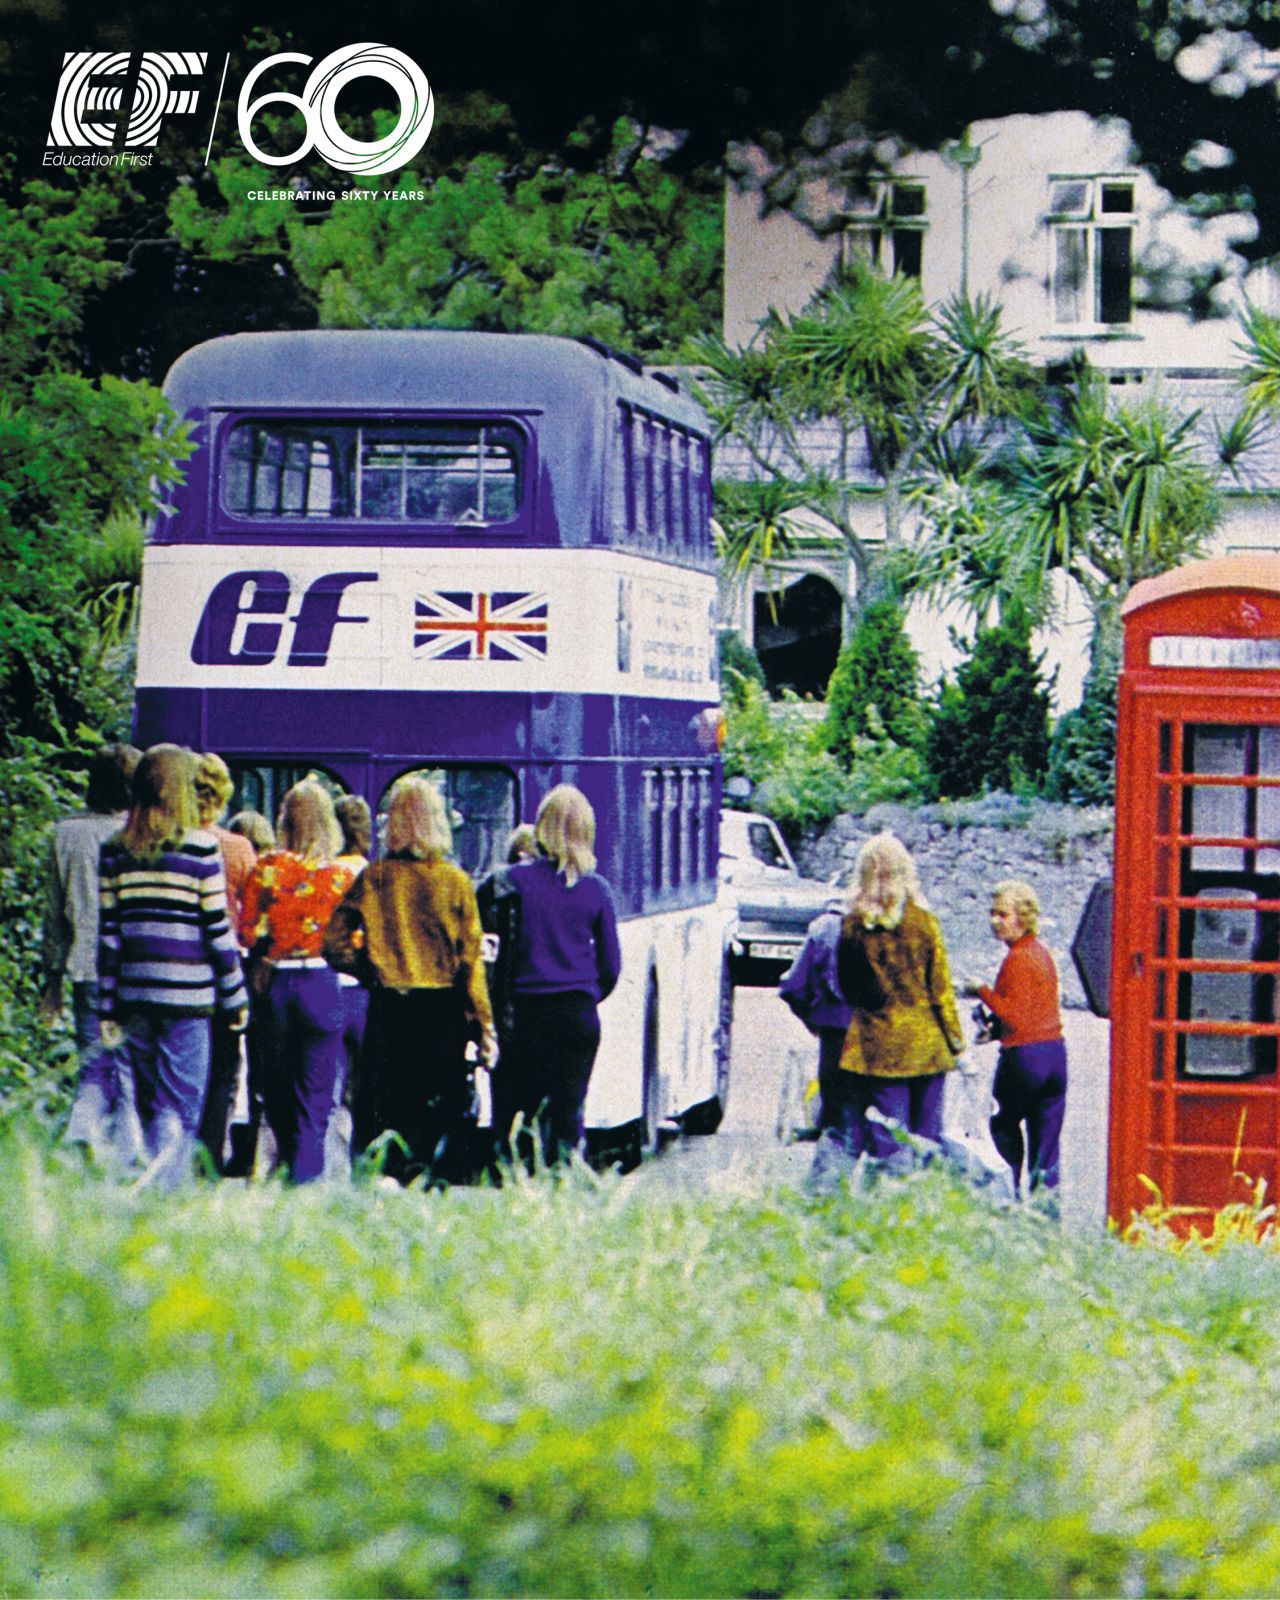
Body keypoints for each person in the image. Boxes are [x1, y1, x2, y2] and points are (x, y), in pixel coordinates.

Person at [322, 776, 495, 1185]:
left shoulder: (376, 878)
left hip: (390, 1006)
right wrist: (483, 1024)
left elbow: (333, 942)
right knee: (434, 1117)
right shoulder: (455, 883)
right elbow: (471, 962)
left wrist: (366, 967)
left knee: (385, 1113)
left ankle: (386, 1188)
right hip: (442, 1013)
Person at [97, 744, 247, 1188]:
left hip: (134, 996)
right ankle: (170, 1193)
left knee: (145, 1101)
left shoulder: (115, 850)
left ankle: (151, 1184)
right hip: (189, 1000)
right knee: (180, 1104)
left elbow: (110, 937)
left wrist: (106, 1008)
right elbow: (218, 932)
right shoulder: (201, 849)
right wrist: (235, 995)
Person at [493, 785, 621, 1168]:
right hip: (576, 1015)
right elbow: (611, 966)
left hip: (525, 1012)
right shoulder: (597, 889)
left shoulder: (512, 881)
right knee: (569, 1111)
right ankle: (565, 1190)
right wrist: (584, 994)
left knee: (524, 1110)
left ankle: (522, 1189)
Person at [238, 780, 355, 1184]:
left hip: (276, 987)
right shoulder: (342, 877)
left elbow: (247, 930)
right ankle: (308, 1179)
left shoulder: (267, 868)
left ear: (284, 820)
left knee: (278, 1092)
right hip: (323, 983)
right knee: (317, 1096)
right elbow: (354, 940)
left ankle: (287, 1167)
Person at [833, 832, 967, 1171]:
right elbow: (941, 990)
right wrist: (957, 1044)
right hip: (928, 1045)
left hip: (879, 1047)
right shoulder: (924, 923)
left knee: (890, 1135)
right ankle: (924, 1205)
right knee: (928, 1136)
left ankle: (897, 1199)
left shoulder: (852, 927)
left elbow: (849, 990)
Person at [42, 741, 143, 1161]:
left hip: (85, 967)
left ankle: (85, 1135)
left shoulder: (64, 834)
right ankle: (124, 1152)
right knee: (131, 1067)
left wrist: (51, 983)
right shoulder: (141, 833)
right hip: (136, 968)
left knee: (93, 1064)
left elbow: (54, 916)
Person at [963, 879, 1068, 1202]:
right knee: (1046, 1147)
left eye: (1003, 915)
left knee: (1004, 1128)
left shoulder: (1018, 958)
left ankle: (1007, 1204)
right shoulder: (1042, 953)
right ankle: (1046, 1218)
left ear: (1023, 917)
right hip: (1055, 1056)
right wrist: (993, 1030)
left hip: (1024, 1059)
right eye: (992, 914)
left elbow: (1015, 1016)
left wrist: (980, 990)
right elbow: (1035, 1010)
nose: (995, 921)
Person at [193, 752, 258, 1175]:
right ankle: (210, 1159)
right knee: (221, 1071)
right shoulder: (237, 848)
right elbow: (252, 919)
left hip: (174, 964)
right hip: (225, 970)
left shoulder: (161, 842)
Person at [778, 892, 852, 1141]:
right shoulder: (902, 926)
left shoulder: (825, 927)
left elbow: (793, 986)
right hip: (887, 1039)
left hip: (835, 1026)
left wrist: (813, 1018)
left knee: (835, 1128)